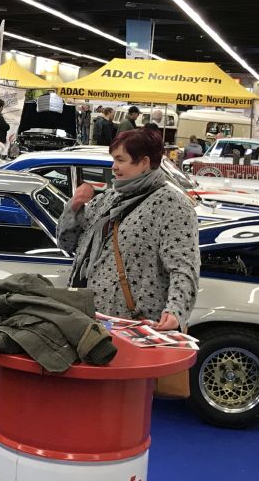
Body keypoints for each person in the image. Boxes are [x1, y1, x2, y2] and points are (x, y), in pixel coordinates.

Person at [57, 128, 199, 330]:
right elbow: (67, 244)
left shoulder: (173, 205)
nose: (114, 167)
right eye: (113, 159)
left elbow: (184, 267)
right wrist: (74, 207)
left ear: (144, 162)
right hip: (88, 321)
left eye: (120, 160)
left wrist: (175, 311)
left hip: (132, 325)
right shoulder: (108, 199)